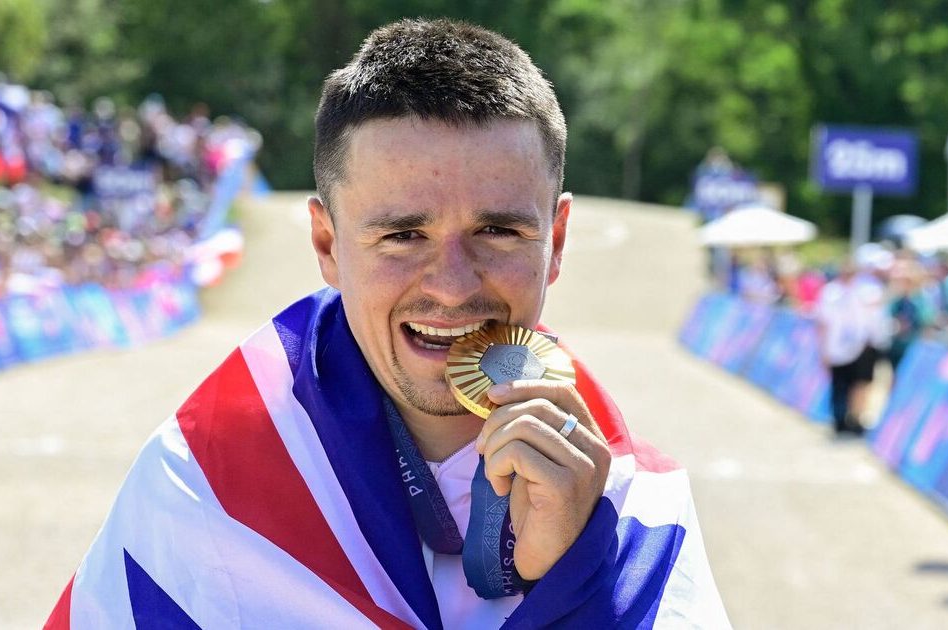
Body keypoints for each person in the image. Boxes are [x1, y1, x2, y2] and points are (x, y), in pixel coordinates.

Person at [46, 19, 728, 629]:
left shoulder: (639, 511)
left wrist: (580, 580)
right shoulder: (202, 484)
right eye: (403, 235)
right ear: (326, 245)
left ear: (558, 238)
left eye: (498, 230)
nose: (453, 286)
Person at [815, 260, 890, 436]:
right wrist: (824, 349)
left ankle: (856, 419)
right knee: (841, 385)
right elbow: (823, 323)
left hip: (862, 347)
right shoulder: (831, 293)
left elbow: (876, 317)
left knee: (860, 385)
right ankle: (840, 419)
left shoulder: (866, 291)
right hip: (838, 348)